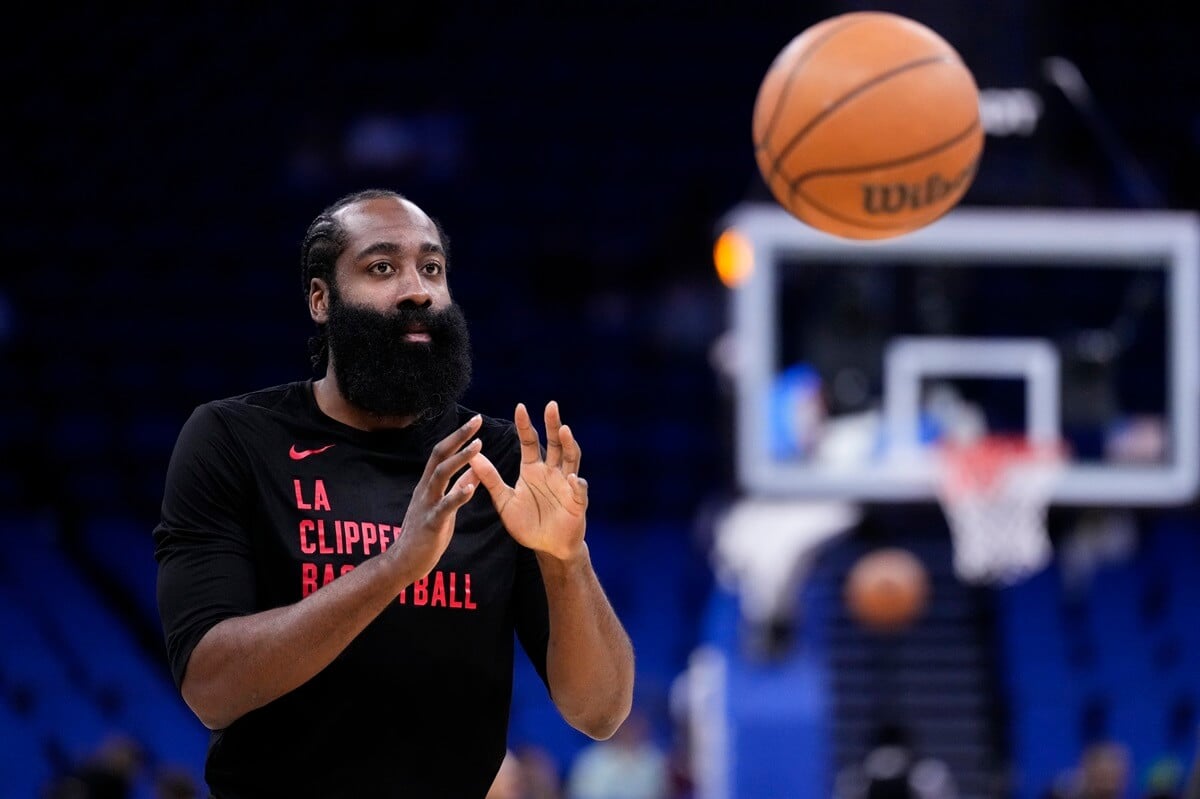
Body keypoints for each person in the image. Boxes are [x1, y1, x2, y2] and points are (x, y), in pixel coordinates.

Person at [154, 188, 636, 797]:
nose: (418, 290)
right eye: (382, 268)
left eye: (431, 268)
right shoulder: (235, 439)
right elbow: (211, 689)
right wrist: (396, 567)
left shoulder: (497, 461)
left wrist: (568, 561)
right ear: (321, 299)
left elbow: (600, 712)